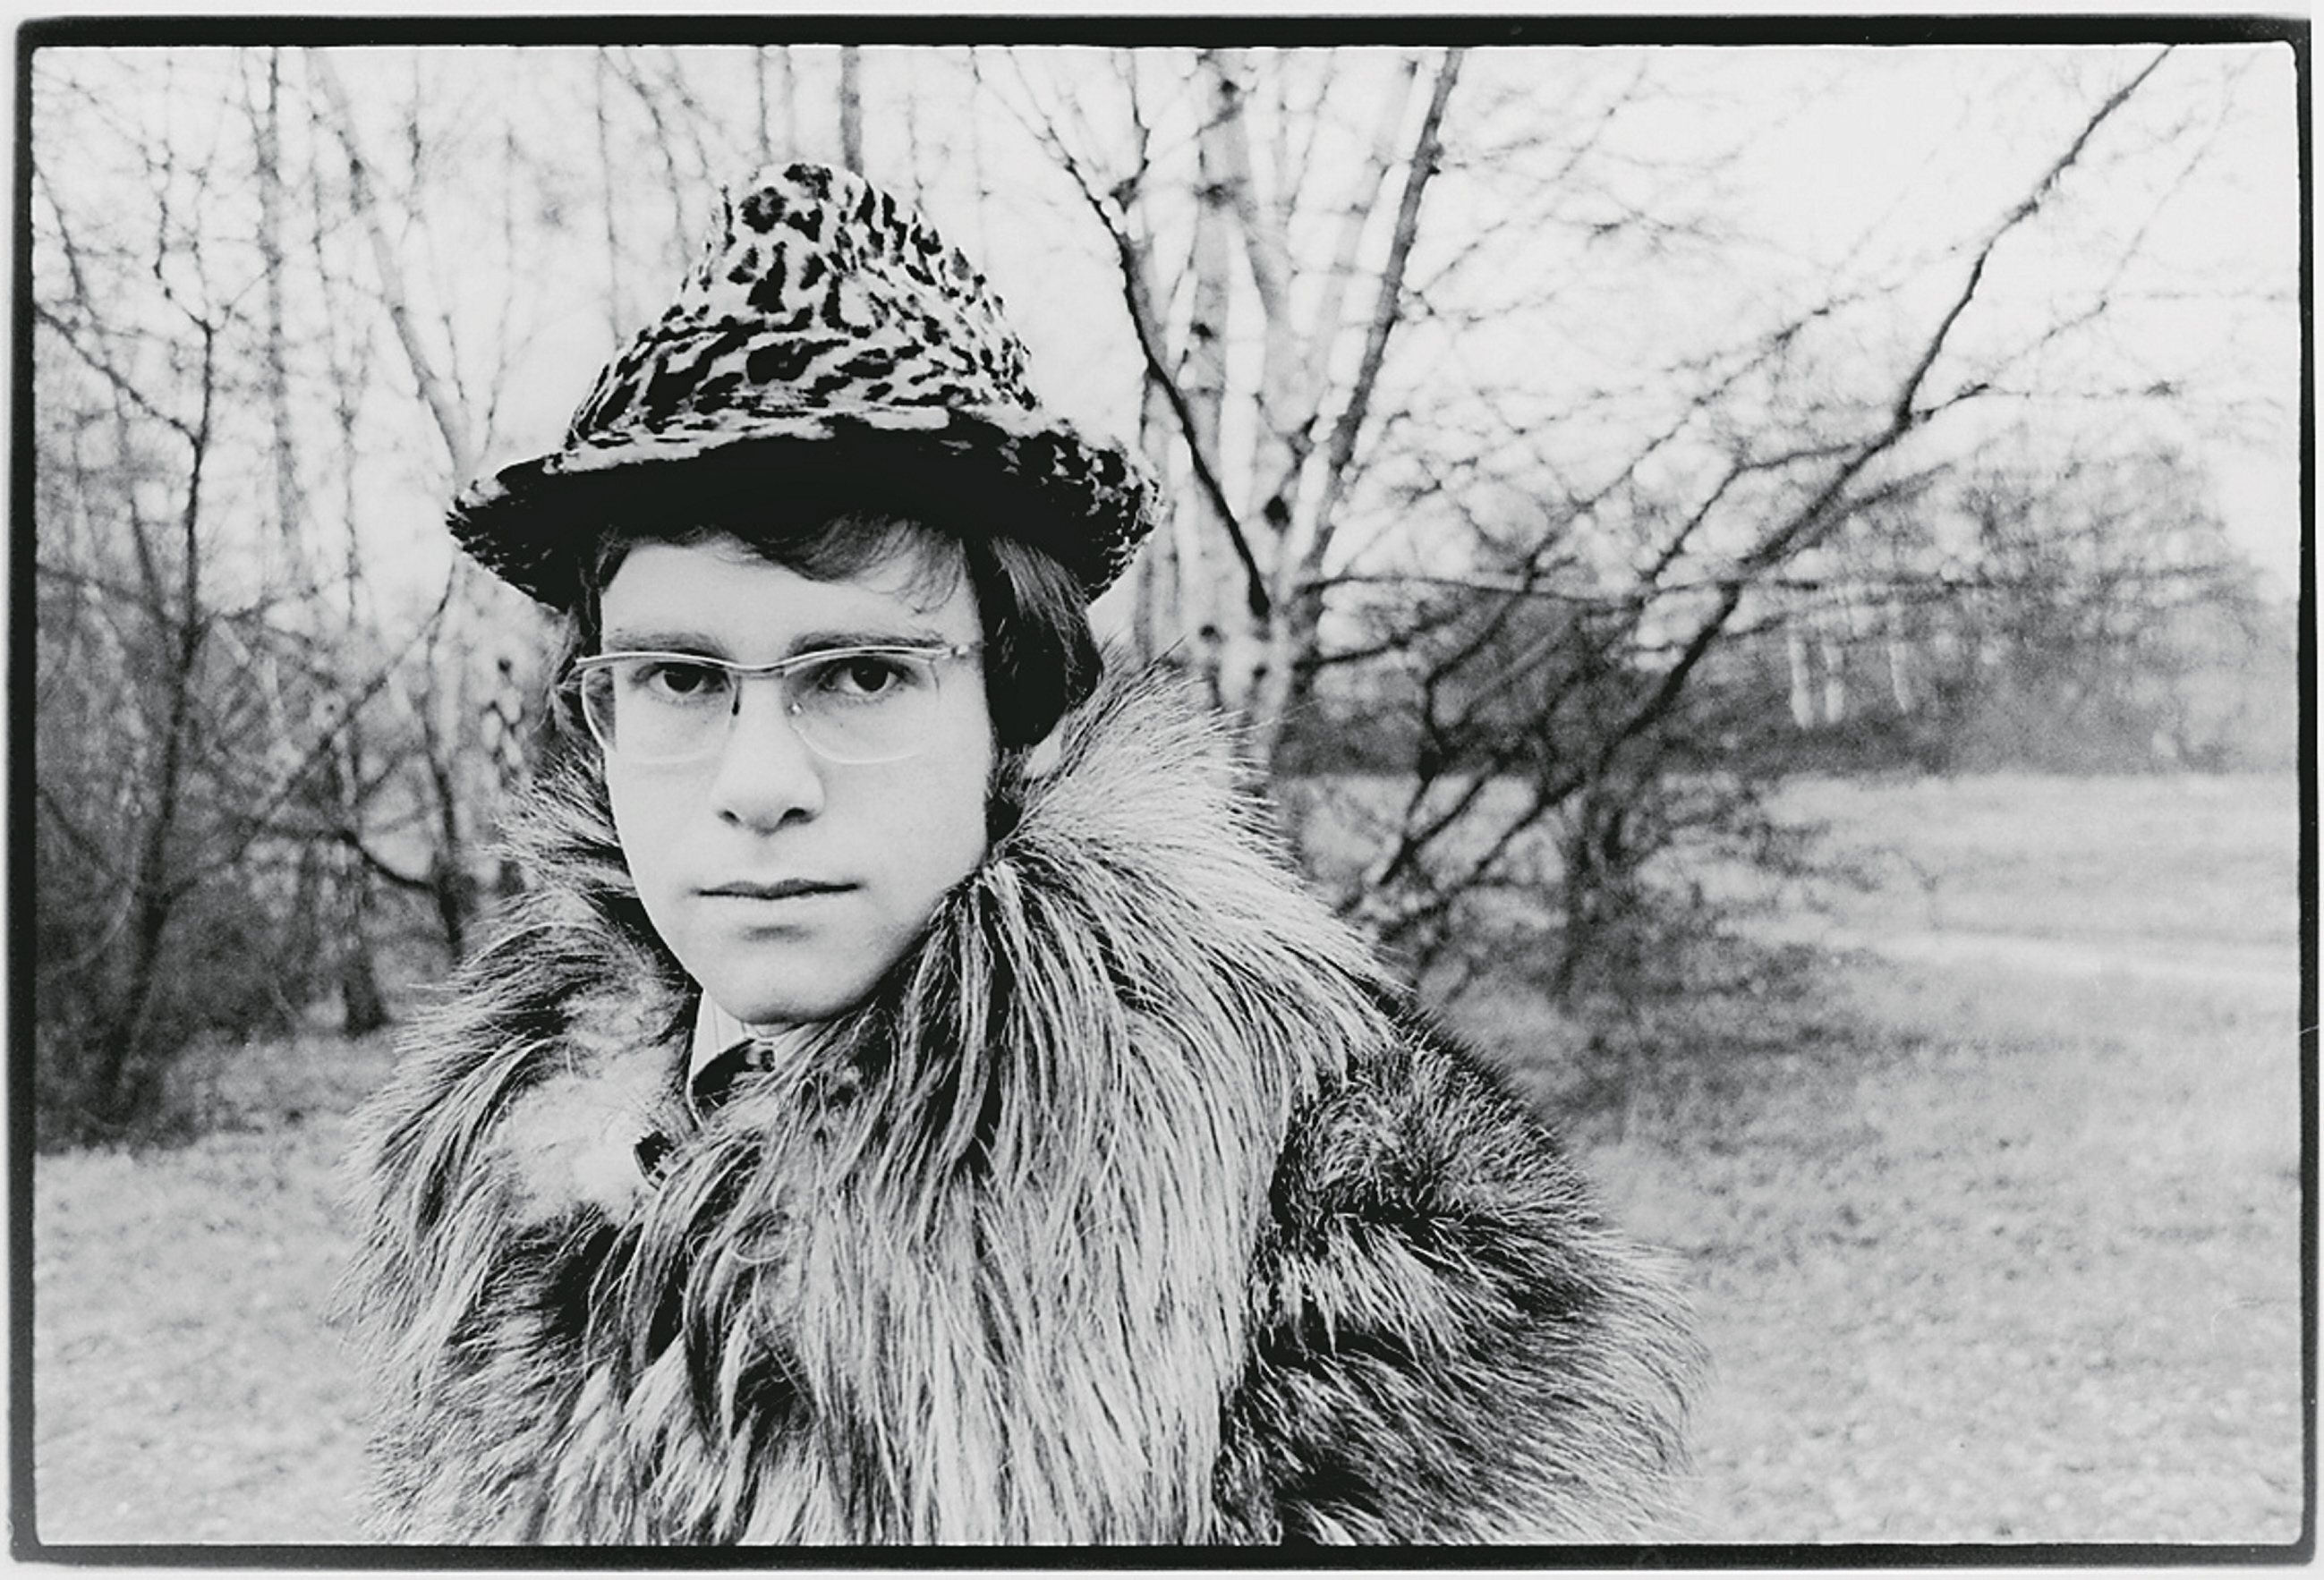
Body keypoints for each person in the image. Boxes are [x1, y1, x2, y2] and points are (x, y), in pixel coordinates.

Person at [345, 160, 1696, 1545]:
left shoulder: (1360, 1242)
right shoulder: (492, 1164)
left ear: (1017, 714)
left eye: (859, 675)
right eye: (680, 680)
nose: (755, 785)